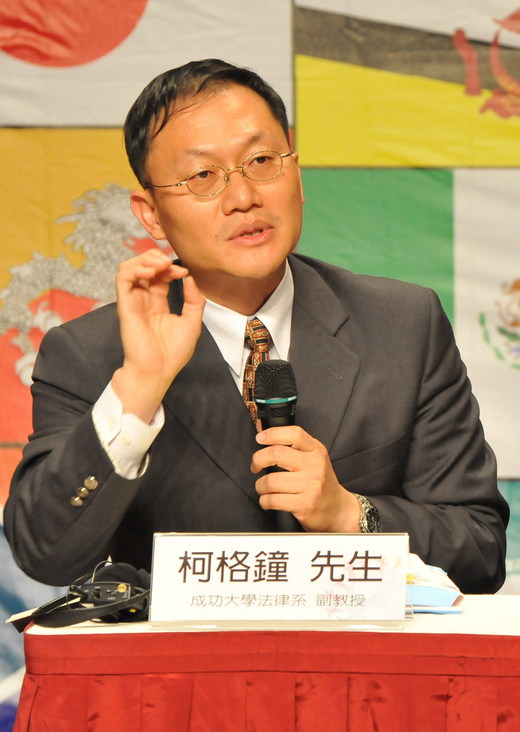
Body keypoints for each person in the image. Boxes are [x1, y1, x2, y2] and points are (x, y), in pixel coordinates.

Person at [5, 59, 508, 593]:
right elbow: (45, 554)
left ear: (297, 173)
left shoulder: (402, 324)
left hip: (357, 648)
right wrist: (138, 391)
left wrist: (348, 513)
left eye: (262, 161)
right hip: (188, 650)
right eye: (202, 176)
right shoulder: (89, 352)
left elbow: (480, 552)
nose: (243, 198)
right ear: (150, 214)